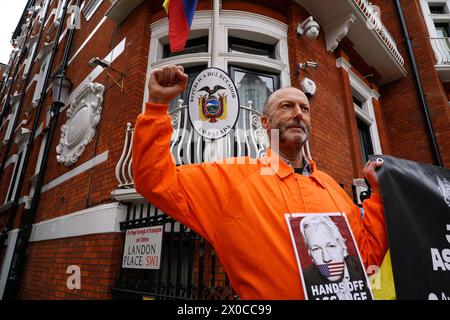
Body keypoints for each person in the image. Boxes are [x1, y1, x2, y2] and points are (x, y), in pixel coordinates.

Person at [132, 65, 388, 299]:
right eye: (286, 106)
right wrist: (156, 106)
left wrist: (377, 194)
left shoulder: (332, 187)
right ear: (265, 123)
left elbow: (366, 257)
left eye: (305, 109)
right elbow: (155, 180)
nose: (298, 113)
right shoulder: (231, 179)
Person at [299, 215, 373, 300]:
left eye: (331, 246)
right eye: (316, 249)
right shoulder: (305, 281)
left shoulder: (364, 266)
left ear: (342, 245)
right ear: (310, 254)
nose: (326, 258)